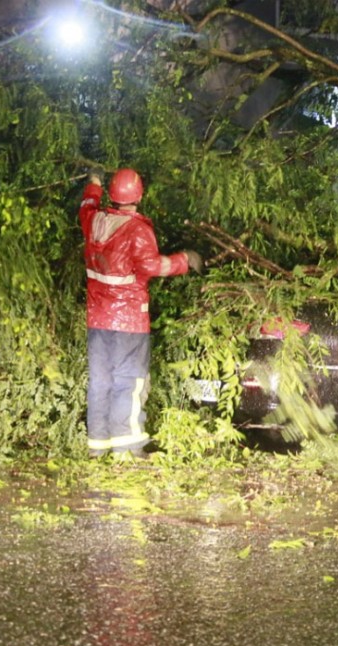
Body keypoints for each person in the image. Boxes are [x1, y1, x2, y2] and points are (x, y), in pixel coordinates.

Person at [79, 168, 203, 458]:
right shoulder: (137, 231)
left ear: (112, 194)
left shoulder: (94, 220)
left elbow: (86, 206)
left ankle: (97, 447)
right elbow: (151, 267)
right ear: (139, 195)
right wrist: (185, 260)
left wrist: (93, 185)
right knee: (129, 381)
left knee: (101, 381)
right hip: (129, 321)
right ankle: (128, 447)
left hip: (98, 319)